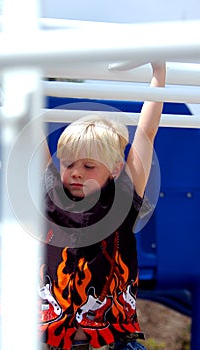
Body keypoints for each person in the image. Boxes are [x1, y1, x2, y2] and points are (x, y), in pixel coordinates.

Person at [38, 62, 166, 350]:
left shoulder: (122, 199)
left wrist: (159, 73)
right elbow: (28, 128)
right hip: (53, 341)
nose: (77, 172)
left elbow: (147, 131)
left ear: (116, 168)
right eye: (68, 163)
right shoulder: (52, 196)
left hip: (112, 342)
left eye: (88, 165)